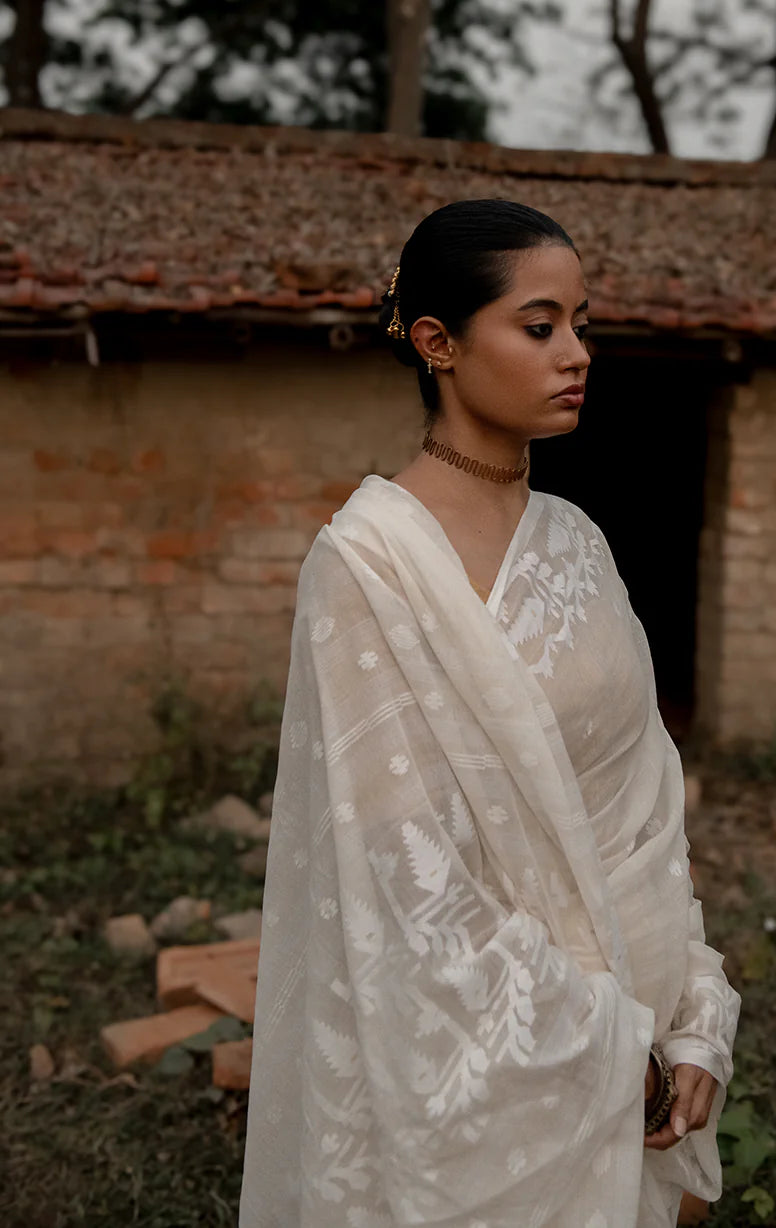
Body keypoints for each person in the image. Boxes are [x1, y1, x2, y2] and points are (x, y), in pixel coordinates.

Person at [240, 200, 739, 1228]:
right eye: (540, 324)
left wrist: (693, 1020)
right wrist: (607, 1050)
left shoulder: (579, 542)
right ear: (439, 344)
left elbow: (649, 810)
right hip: (493, 1043)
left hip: (647, 1000)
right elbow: (410, 877)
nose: (577, 354)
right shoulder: (372, 566)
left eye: (583, 326)